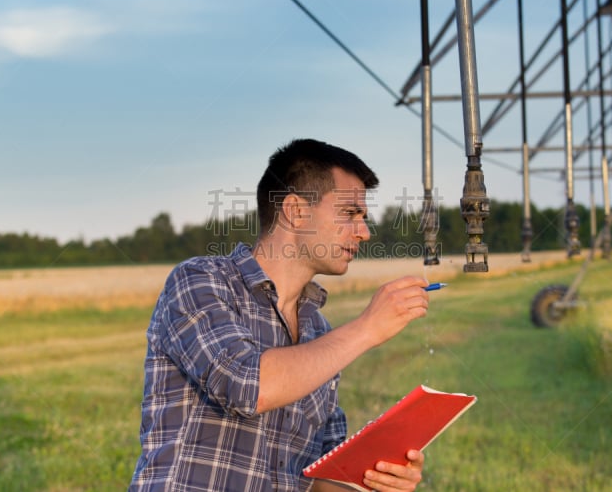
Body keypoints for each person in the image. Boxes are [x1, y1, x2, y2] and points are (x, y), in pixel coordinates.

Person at [130, 138, 431, 491]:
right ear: (295, 211)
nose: (364, 232)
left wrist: (372, 480)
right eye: (350, 214)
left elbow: (318, 480)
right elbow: (245, 386)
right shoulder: (200, 282)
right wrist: (366, 329)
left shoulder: (320, 333)